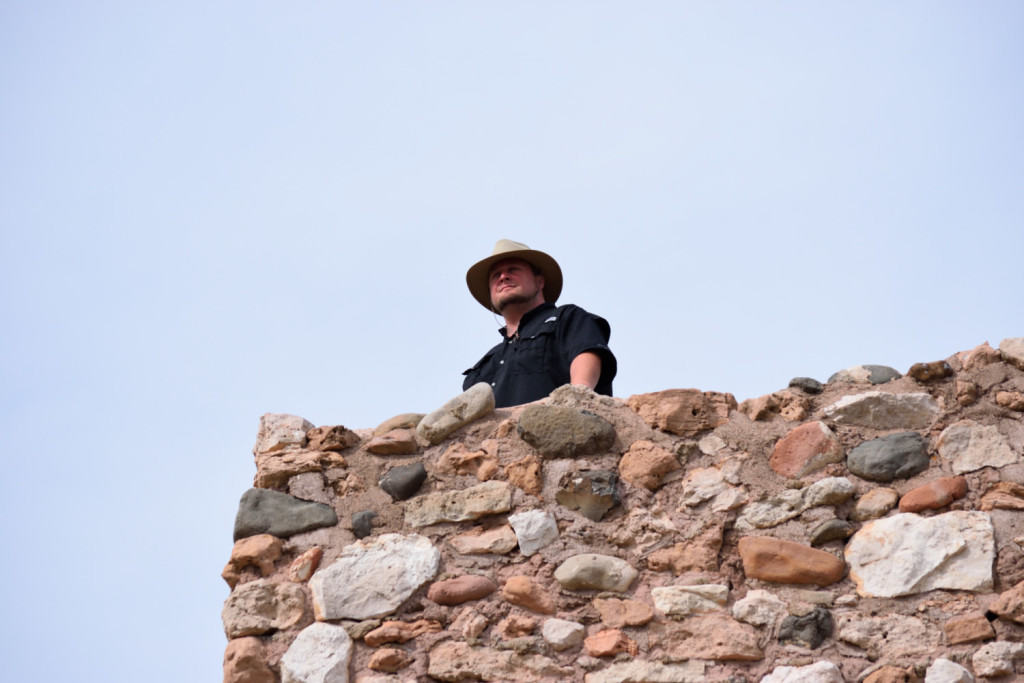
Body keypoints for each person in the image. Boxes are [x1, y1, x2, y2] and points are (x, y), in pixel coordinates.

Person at [462, 239, 617, 408]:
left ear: (539, 282)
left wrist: (577, 399)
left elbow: (586, 355)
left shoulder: (567, 318)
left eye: (513, 270)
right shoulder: (483, 367)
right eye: (495, 275)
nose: (503, 277)